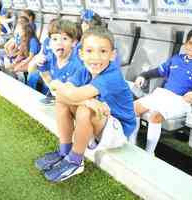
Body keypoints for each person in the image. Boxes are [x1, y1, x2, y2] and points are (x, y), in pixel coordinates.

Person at [35, 26, 136, 182]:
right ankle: (65, 151)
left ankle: (76, 160)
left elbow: (69, 92)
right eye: (89, 51)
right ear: (81, 54)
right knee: (64, 101)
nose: (95, 57)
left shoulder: (112, 75)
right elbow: (61, 93)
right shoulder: (84, 70)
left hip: (118, 131)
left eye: (103, 51)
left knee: (85, 110)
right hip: (99, 123)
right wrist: (88, 101)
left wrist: (60, 86)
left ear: (112, 55)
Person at [129, 27, 192, 154]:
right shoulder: (176, 58)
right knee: (133, 108)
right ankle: (132, 144)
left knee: (155, 115)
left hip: (181, 101)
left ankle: (149, 153)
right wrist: (143, 75)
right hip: (162, 94)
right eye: (190, 43)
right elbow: (158, 71)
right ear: (185, 44)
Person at [28, 19, 81, 105]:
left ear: (74, 43)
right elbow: (31, 70)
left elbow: (77, 92)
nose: (59, 43)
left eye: (64, 38)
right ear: (50, 42)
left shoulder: (78, 63)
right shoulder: (50, 57)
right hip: (61, 97)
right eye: (55, 39)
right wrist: (35, 61)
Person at [0, 16, 40, 82]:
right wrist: (15, 61)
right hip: (26, 59)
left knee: (16, 68)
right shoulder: (24, 39)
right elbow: (21, 53)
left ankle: (22, 83)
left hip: (34, 62)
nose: (19, 32)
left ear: (26, 31)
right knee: (11, 66)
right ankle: (12, 80)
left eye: (21, 30)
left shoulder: (33, 41)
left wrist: (21, 63)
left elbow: (31, 57)